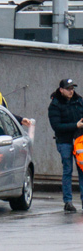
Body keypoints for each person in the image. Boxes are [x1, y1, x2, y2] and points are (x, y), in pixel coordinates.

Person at [48, 79, 83, 212]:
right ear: (61, 90)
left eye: (72, 88)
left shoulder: (79, 101)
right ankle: (68, 202)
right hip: (64, 141)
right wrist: (75, 125)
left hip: (79, 140)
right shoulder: (55, 105)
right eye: (68, 88)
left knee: (82, 169)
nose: (71, 91)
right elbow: (57, 126)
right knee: (67, 170)